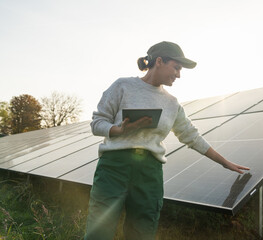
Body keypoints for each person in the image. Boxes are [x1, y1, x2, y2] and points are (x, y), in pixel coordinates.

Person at [84, 41, 250, 240]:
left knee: (142, 232)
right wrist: (119, 129)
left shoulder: (172, 103)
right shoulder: (123, 86)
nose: (179, 75)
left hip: (149, 172)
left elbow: (192, 136)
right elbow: (97, 123)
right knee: (98, 232)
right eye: (176, 67)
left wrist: (225, 162)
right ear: (160, 61)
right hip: (113, 168)